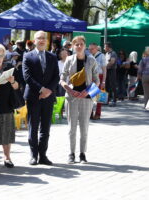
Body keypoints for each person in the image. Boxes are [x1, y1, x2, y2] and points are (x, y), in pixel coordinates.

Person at [60, 35, 99, 164]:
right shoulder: (69, 59)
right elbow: (62, 78)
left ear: (85, 45)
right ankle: (71, 153)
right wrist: (69, 89)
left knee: (84, 127)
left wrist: (87, 91)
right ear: (72, 46)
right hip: (71, 98)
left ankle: (82, 154)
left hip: (86, 98)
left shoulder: (91, 60)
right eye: (76, 44)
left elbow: (97, 81)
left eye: (81, 44)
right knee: (72, 127)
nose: (79, 46)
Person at [22, 31, 60, 166]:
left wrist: (49, 90)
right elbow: (27, 77)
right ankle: (34, 155)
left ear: (47, 41)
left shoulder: (52, 57)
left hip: (48, 97)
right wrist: (41, 89)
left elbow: (57, 76)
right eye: (39, 38)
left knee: (45, 128)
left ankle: (43, 155)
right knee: (33, 127)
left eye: (44, 38)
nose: (42, 40)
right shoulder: (27, 56)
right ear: (34, 40)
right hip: (34, 96)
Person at [88, 43, 107, 120]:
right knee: (90, 96)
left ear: (96, 48)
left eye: (92, 49)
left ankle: (98, 114)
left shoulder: (101, 56)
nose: (90, 50)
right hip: (91, 77)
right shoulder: (89, 56)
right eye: (89, 49)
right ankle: (90, 113)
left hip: (100, 76)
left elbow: (104, 70)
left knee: (99, 97)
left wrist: (103, 82)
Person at [104, 42, 118, 106]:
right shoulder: (106, 53)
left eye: (105, 47)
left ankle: (114, 100)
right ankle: (107, 100)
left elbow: (112, 62)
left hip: (112, 70)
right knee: (107, 85)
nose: (104, 48)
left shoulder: (113, 53)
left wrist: (105, 67)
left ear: (108, 47)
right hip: (107, 71)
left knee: (113, 85)